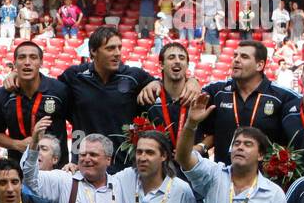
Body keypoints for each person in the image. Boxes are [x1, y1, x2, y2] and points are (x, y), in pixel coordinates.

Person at [55, 26, 198, 169]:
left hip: (123, 168)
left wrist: (192, 81)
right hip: (84, 164)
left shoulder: (135, 77)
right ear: (93, 51)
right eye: (110, 48)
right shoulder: (74, 76)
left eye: (119, 47)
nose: (117, 53)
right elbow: (52, 96)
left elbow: (166, 83)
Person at [0, 40, 71, 167]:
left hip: (55, 171)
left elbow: (77, 122)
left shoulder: (59, 90)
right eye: (22, 57)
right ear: (14, 63)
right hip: (18, 170)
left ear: (41, 62)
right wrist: (17, 144)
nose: (27, 62)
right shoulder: (2, 95)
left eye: (33, 57)